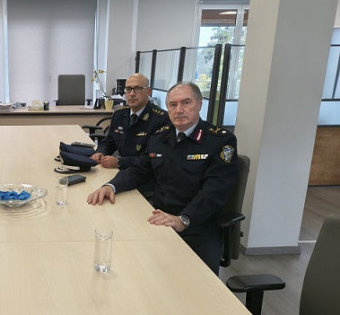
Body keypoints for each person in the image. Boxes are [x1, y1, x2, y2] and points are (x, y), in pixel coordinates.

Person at [87, 82, 238, 274]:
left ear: (199, 104)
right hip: (159, 218)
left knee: (197, 283)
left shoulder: (220, 141)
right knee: (132, 267)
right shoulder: (160, 137)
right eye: (173, 105)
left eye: (186, 103)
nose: (179, 110)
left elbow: (215, 192)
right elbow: (139, 170)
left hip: (198, 225)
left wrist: (183, 220)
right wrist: (111, 186)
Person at [90, 73, 169, 170]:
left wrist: (120, 162)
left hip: (145, 174)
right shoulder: (119, 114)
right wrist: (100, 152)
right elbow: (109, 142)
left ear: (148, 92)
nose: (131, 94)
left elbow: (154, 158)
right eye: (128, 89)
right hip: (120, 170)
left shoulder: (161, 119)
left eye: (137, 88)